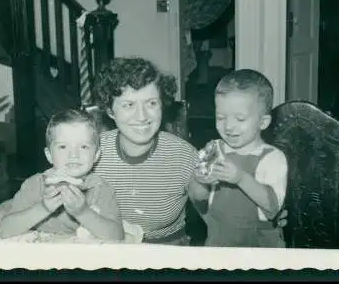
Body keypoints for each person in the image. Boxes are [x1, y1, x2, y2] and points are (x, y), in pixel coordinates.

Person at [92, 57, 287, 245]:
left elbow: (211, 209)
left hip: (166, 255)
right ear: (110, 110)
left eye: (151, 103)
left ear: (162, 104)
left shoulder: (184, 155)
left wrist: (270, 218)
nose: (142, 116)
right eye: (128, 105)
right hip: (106, 251)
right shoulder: (91, 152)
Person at [190, 69, 288, 247]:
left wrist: (240, 178)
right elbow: (198, 199)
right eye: (220, 117)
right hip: (218, 242)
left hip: (258, 246)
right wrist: (201, 180)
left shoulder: (272, 158)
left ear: (263, 122)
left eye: (240, 119)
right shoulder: (214, 150)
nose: (228, 126)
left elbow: (273, 208)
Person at [0, 109, 124, 241]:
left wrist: (83, 212)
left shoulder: (101, 189)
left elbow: (118, 237)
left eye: (84, 147)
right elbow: (5, 231)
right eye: (63, 147)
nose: (73, 154)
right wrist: (44, 207)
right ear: (49, 155)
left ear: (96, 155)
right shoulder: (34, 186)